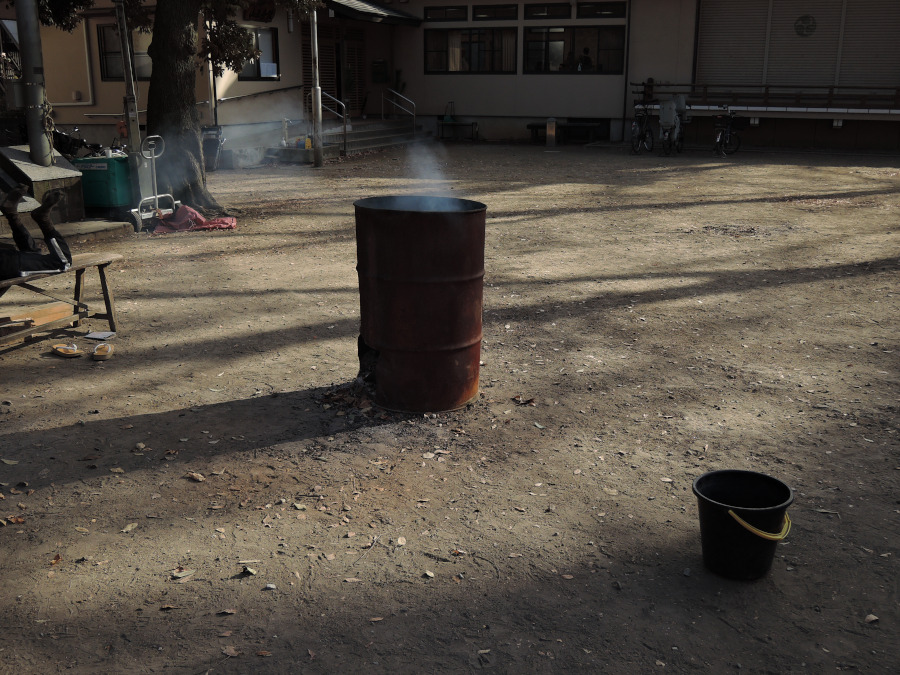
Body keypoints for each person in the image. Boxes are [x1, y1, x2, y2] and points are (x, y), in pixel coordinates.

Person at [0, 185, 71, 281]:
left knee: (34, 254)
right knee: (62, 263)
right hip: (8, 263)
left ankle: (12, 213)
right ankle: (40, 220)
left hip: (7, 261)